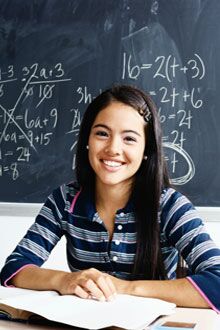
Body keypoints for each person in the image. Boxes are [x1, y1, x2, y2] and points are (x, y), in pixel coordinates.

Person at [1, 85, 220, 312]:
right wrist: (65, 280)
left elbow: (217, 283)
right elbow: (15, 268)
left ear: (147, 150)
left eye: (129, 139)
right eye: (102, 134)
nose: (114, 148)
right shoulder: (64, 201)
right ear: (87, 140)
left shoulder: (170, 206)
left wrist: (123, 288)